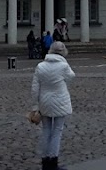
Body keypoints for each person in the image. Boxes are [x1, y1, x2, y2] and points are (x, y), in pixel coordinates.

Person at [30, 41, 75, 170]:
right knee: (57, 131)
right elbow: (72, 76)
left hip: (44, 101)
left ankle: (45, 162)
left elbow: (34, 88)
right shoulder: (63, 66)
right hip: (60, 101)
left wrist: (35, 106)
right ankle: (53, 161)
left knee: (46, 131)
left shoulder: (40, 66)